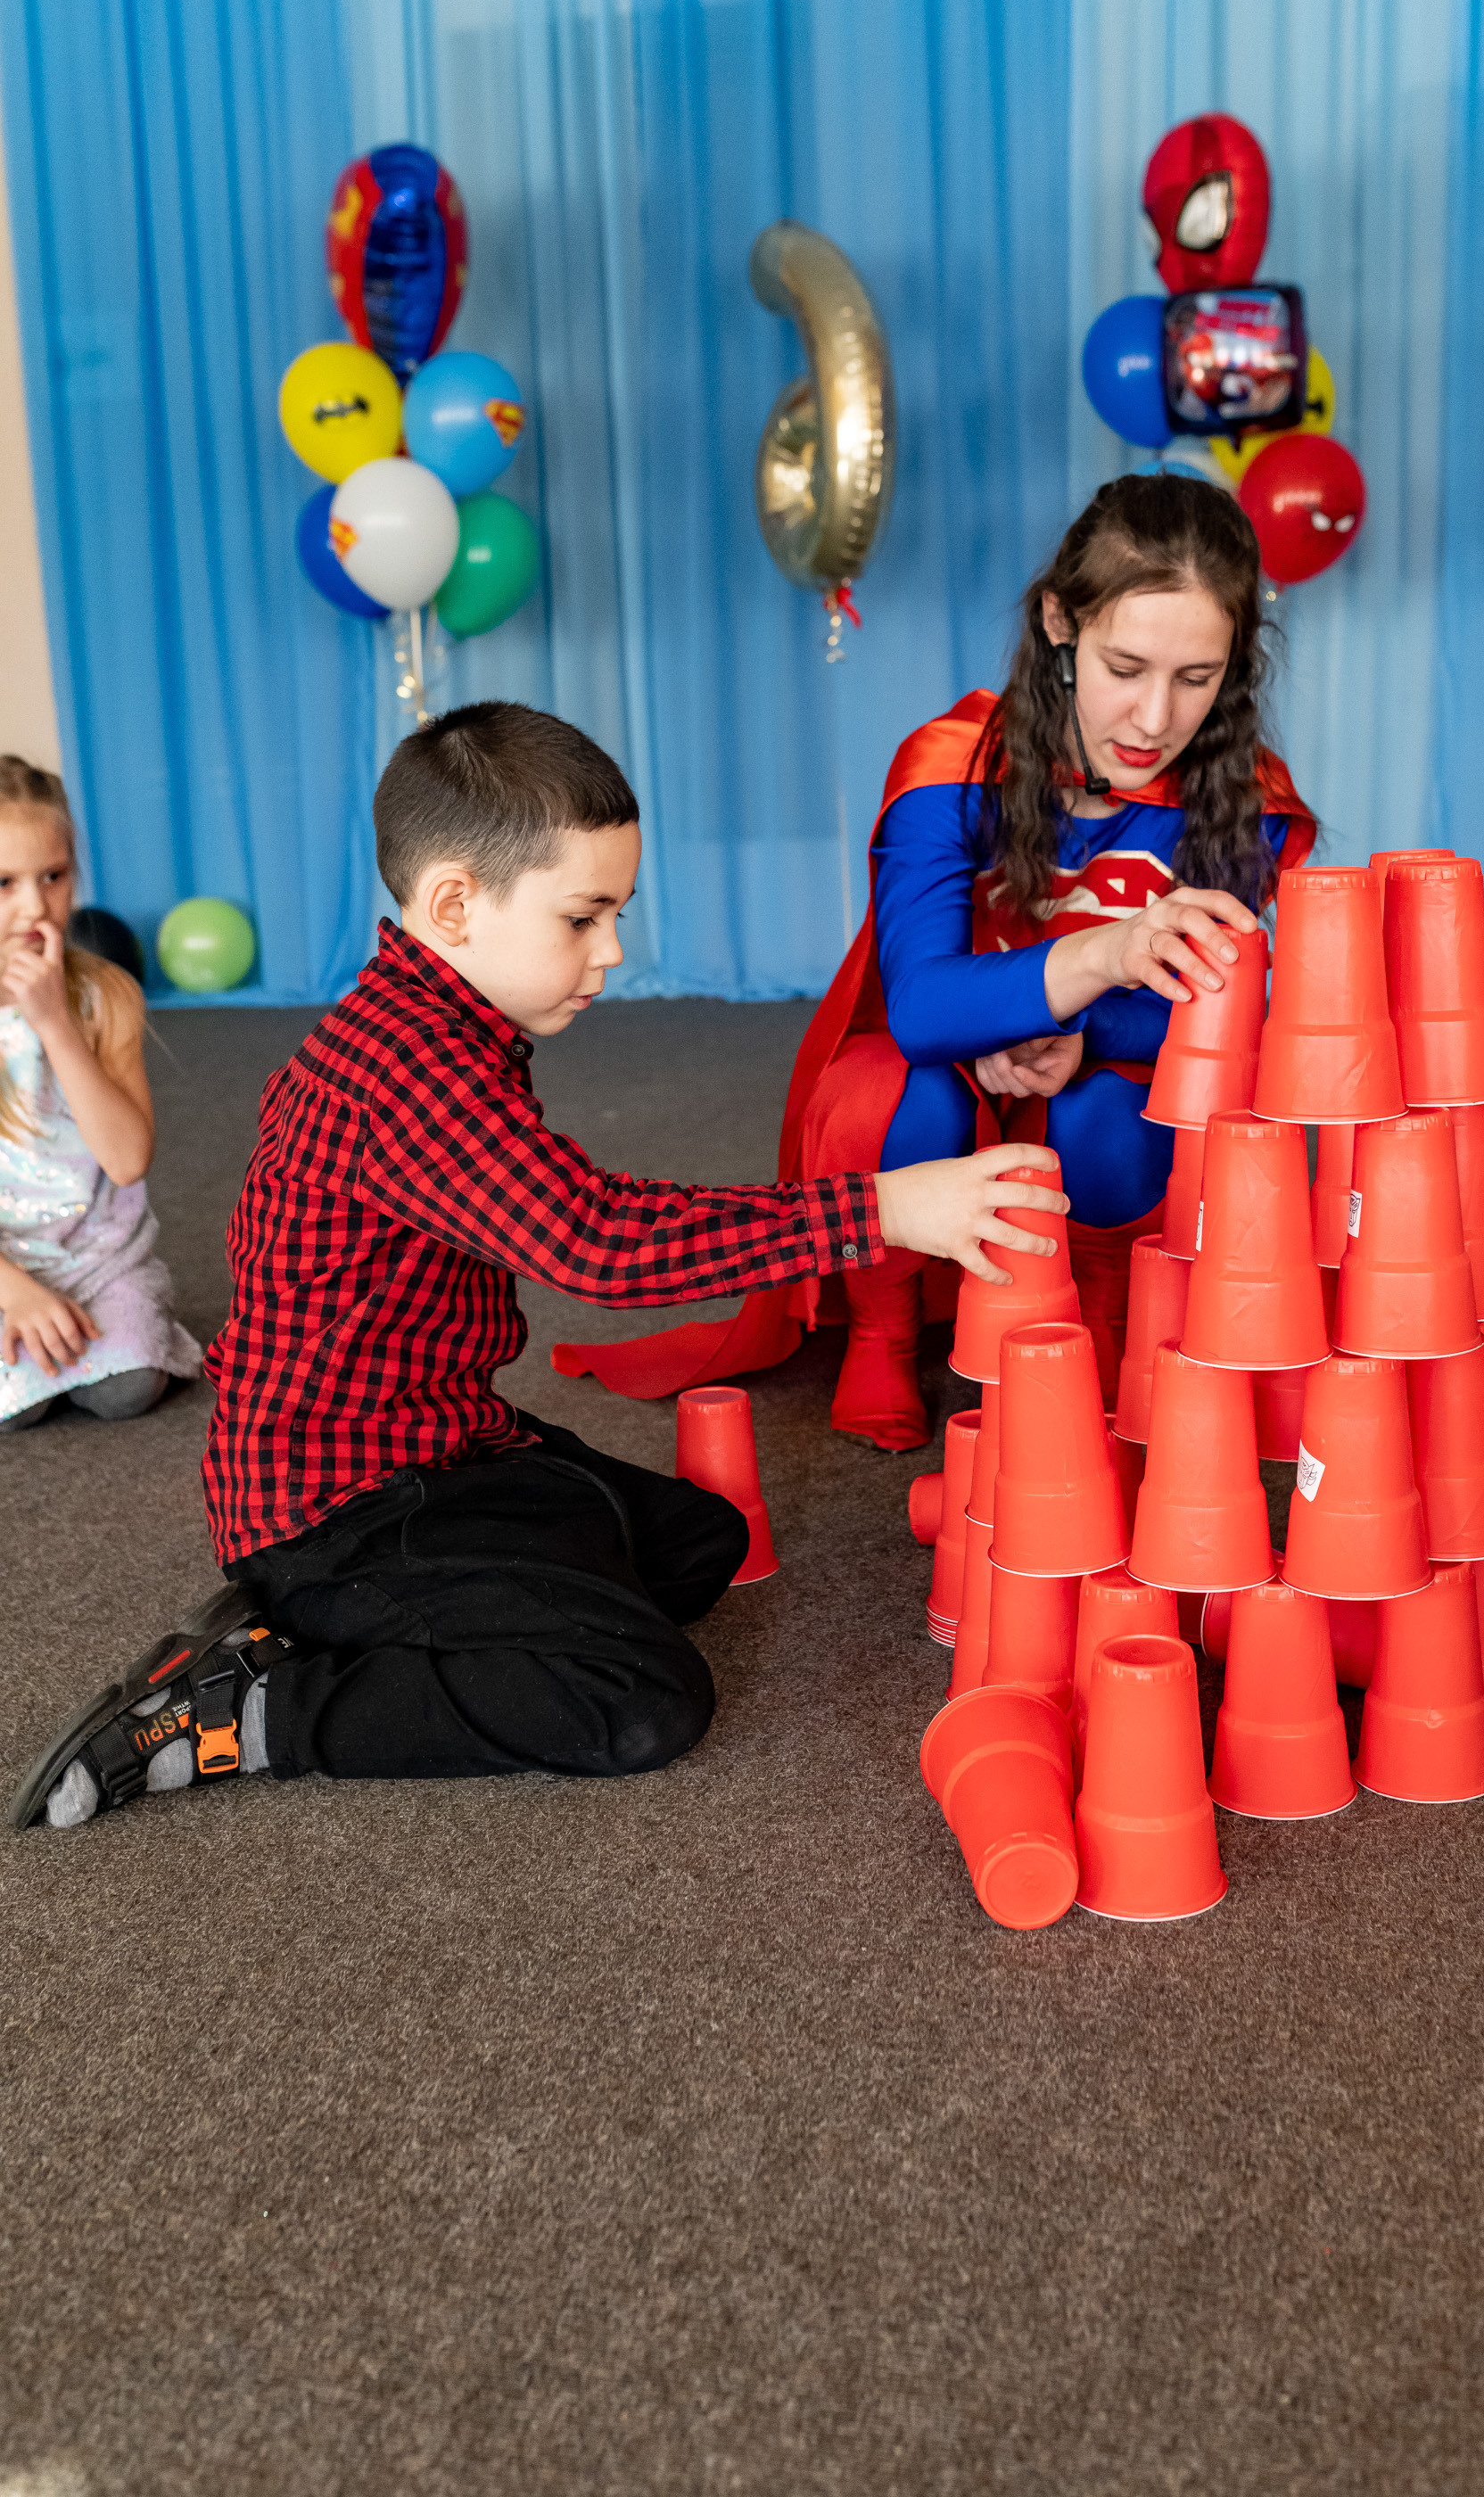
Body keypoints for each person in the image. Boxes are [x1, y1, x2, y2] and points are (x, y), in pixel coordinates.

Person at [13, 702, 1065, 1832]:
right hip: (336, 1506)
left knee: (697, 1546)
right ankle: (256, 1705)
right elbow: (597, 1241)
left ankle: (341, 1617)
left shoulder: (446, 1024)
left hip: (441, 1441)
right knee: (643, 1697)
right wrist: (884, 1208)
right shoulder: (403, 1075)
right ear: (455, 904)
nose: (611, 951)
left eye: (615, 912)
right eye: (583, 916)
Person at [573, 473, 1315, 1447]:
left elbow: (1223, 1018)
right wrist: (1096, 960)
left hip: (1096, 1069)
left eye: (1195, 678)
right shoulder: (954, 761)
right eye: (1124, 666)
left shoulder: (1238, 793)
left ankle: (1099, 1313)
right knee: (891, 1092)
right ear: (1060, 621)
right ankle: (880, 1334)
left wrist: (1073, 1030)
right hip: (941, 1066)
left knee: (1121, 1114)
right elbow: (921, 1005)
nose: (1151, 718)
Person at [0, 756, 201, 1437]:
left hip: (98, 1256)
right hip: (4, 1267)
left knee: (129, 1386)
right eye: (4, 884)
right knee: (15, 1407)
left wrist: (55, 1022)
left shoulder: (105, 996)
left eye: (52, 877)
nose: (35, 906)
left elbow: (125, 1160)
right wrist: (16, 1291)